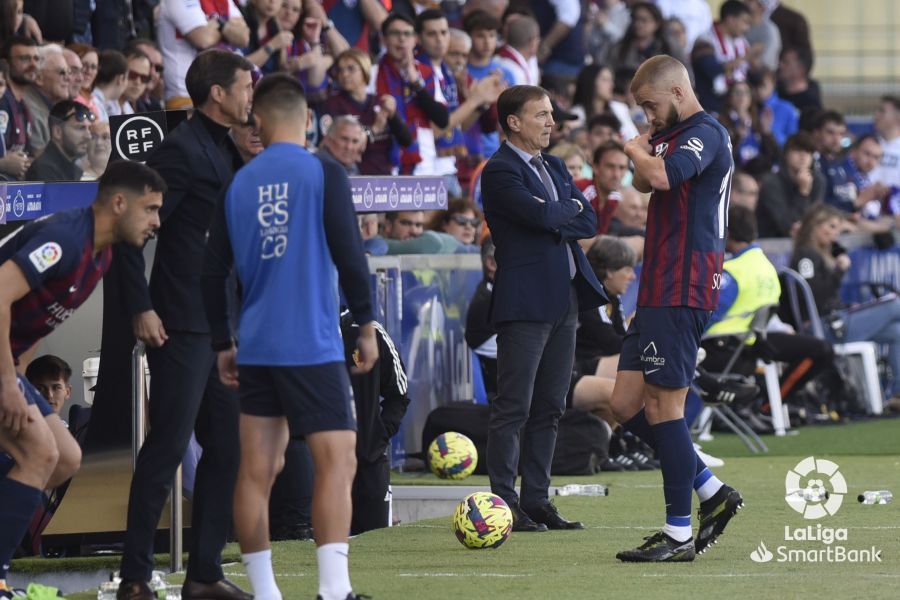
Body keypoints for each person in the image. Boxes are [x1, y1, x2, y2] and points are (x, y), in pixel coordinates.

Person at [201, 72, 376, 600]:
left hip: (255, 346)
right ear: (306, 120)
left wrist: (222, 343)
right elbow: (351, 254)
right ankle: (333, 590)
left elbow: (211, 273)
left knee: (256, 470)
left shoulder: (240, 182)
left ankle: (266, 593)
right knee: (337, 460)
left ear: (260, 120)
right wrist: (366, 325)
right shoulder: (322, 170)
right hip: (311, 343)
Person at [116, 49, 255, 600]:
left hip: (219, 326)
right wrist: (141, 307)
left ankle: (203, 574)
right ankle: (133, 577)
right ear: (217, 93)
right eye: (245, 86)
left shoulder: (224, 148)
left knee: (227, 449)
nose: (251, 95)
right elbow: (132, 232)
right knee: (167, 448)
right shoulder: (180, 151)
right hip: (179, 324)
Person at [0, 161, 164, 596]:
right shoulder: (65, 239)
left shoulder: (101, 256)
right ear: (117, 203)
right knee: (37, 453)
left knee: (67, 457)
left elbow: (27, 320)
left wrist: (17, 376)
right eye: (149, 209)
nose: (156, 222)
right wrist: (6, 383)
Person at [612, 55, 740, 562]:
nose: (647, 117)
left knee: (664, 407)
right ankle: (712, 491)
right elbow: (645, 183)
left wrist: (633, 150)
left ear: (679, 93)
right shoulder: (672, 132)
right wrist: (641, 153)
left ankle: (679, 533)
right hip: (657, 286)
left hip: (682, 284)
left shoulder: (705, 132)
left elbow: (661, 178)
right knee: (624, 405)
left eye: (650, 106)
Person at [481, 84, 607, 533]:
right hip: (525, 303)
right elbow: (541, 218)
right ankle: (503, 502)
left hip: (564, 302)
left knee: (551, 406)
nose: (551, 122)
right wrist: (566, 207)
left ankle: (536, 499)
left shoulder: (553, 164)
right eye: (541, 115)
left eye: (551, 114)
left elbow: (589, 221)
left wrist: (563, 208)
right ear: (514, 122)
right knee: (514, 405)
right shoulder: (498, 171)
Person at [791, 203, 900, 408]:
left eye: (838, 230)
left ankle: (898, 395)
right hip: (820, 328)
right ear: (815, 225)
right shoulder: (806, 255)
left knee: (897, 332)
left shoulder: (821, 254)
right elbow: (814, 297)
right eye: (831, 227)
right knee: (895, 305)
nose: (834, 235)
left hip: (834, 321)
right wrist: (839, 271)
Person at [376, 12, 450, 174]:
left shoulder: (426, 72)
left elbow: (442, 119)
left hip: (423, 161)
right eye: (395, 33)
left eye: (407, 34)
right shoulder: (373, 72)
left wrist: (416, 83)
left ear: (415, 39)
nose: (402, 39)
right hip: (384, 159)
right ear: (383, 39)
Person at [157, 0, 249, 109]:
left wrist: (217, 24)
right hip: (185, 97)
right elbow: (203, 39)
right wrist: (226, 26)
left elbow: (244, 37)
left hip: (220, 95)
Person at [757, 131, 824, 238]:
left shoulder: (817, 180)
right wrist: (803, 193)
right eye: (797, 151)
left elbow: (815, 217)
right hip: (772, 242)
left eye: (808, 152)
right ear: (786, 155)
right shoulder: (771, 182)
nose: (803, 156)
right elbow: (786, 226)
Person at [691, 0, 752, 114]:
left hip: (733, 109)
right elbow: (712, 69)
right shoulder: (705, 40)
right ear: (730, 20)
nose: (747, 28)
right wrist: (744, 58)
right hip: (709, 108)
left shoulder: (742, 43)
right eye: (744, 21)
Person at [25, 99, 93, 181]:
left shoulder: (75, 170)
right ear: (57, 132)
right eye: (80, 128)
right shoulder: (44, 170)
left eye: (89, 129)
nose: (88, 136)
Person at [23, 43, 72, 157]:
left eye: (69, 72)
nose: (68, 78)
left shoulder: (51, 107)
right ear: (39, 78)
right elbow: (40, 159)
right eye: (62, 72)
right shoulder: (30, 109)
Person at [0, 36, 38, 180]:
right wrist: (3, 163)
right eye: (25, 58)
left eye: (36, 59)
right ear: (7, 63)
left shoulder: (24, 104)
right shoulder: (2, 101)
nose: (33, 64)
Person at [570, 64, 639, 141]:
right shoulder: (577, 113)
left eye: (611, 80)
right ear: (591, 82)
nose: (612, 85)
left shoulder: (620, 109)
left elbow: (634, 138)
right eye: (605, 80)